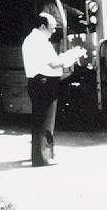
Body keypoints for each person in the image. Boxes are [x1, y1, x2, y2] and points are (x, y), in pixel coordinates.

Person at [21, 9, 85, 166]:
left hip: (38, 82)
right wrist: (72, 56)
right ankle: (43, 158)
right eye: (52, 27)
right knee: (45, 122)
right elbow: (54, 63)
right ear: (43, 27)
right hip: (45, 83)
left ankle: (39, 155)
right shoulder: (39, 42)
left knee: (39, 121)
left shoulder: (32, 39)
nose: (54, 31)